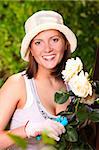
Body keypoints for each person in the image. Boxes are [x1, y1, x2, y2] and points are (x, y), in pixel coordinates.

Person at [0, 10, 77, 149]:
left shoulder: (74, 86)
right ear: (31, 49)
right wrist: (28, 130)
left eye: (54, 40)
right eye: (38, 42)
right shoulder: (18, 84)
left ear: (65, 44)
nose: (47, 49)